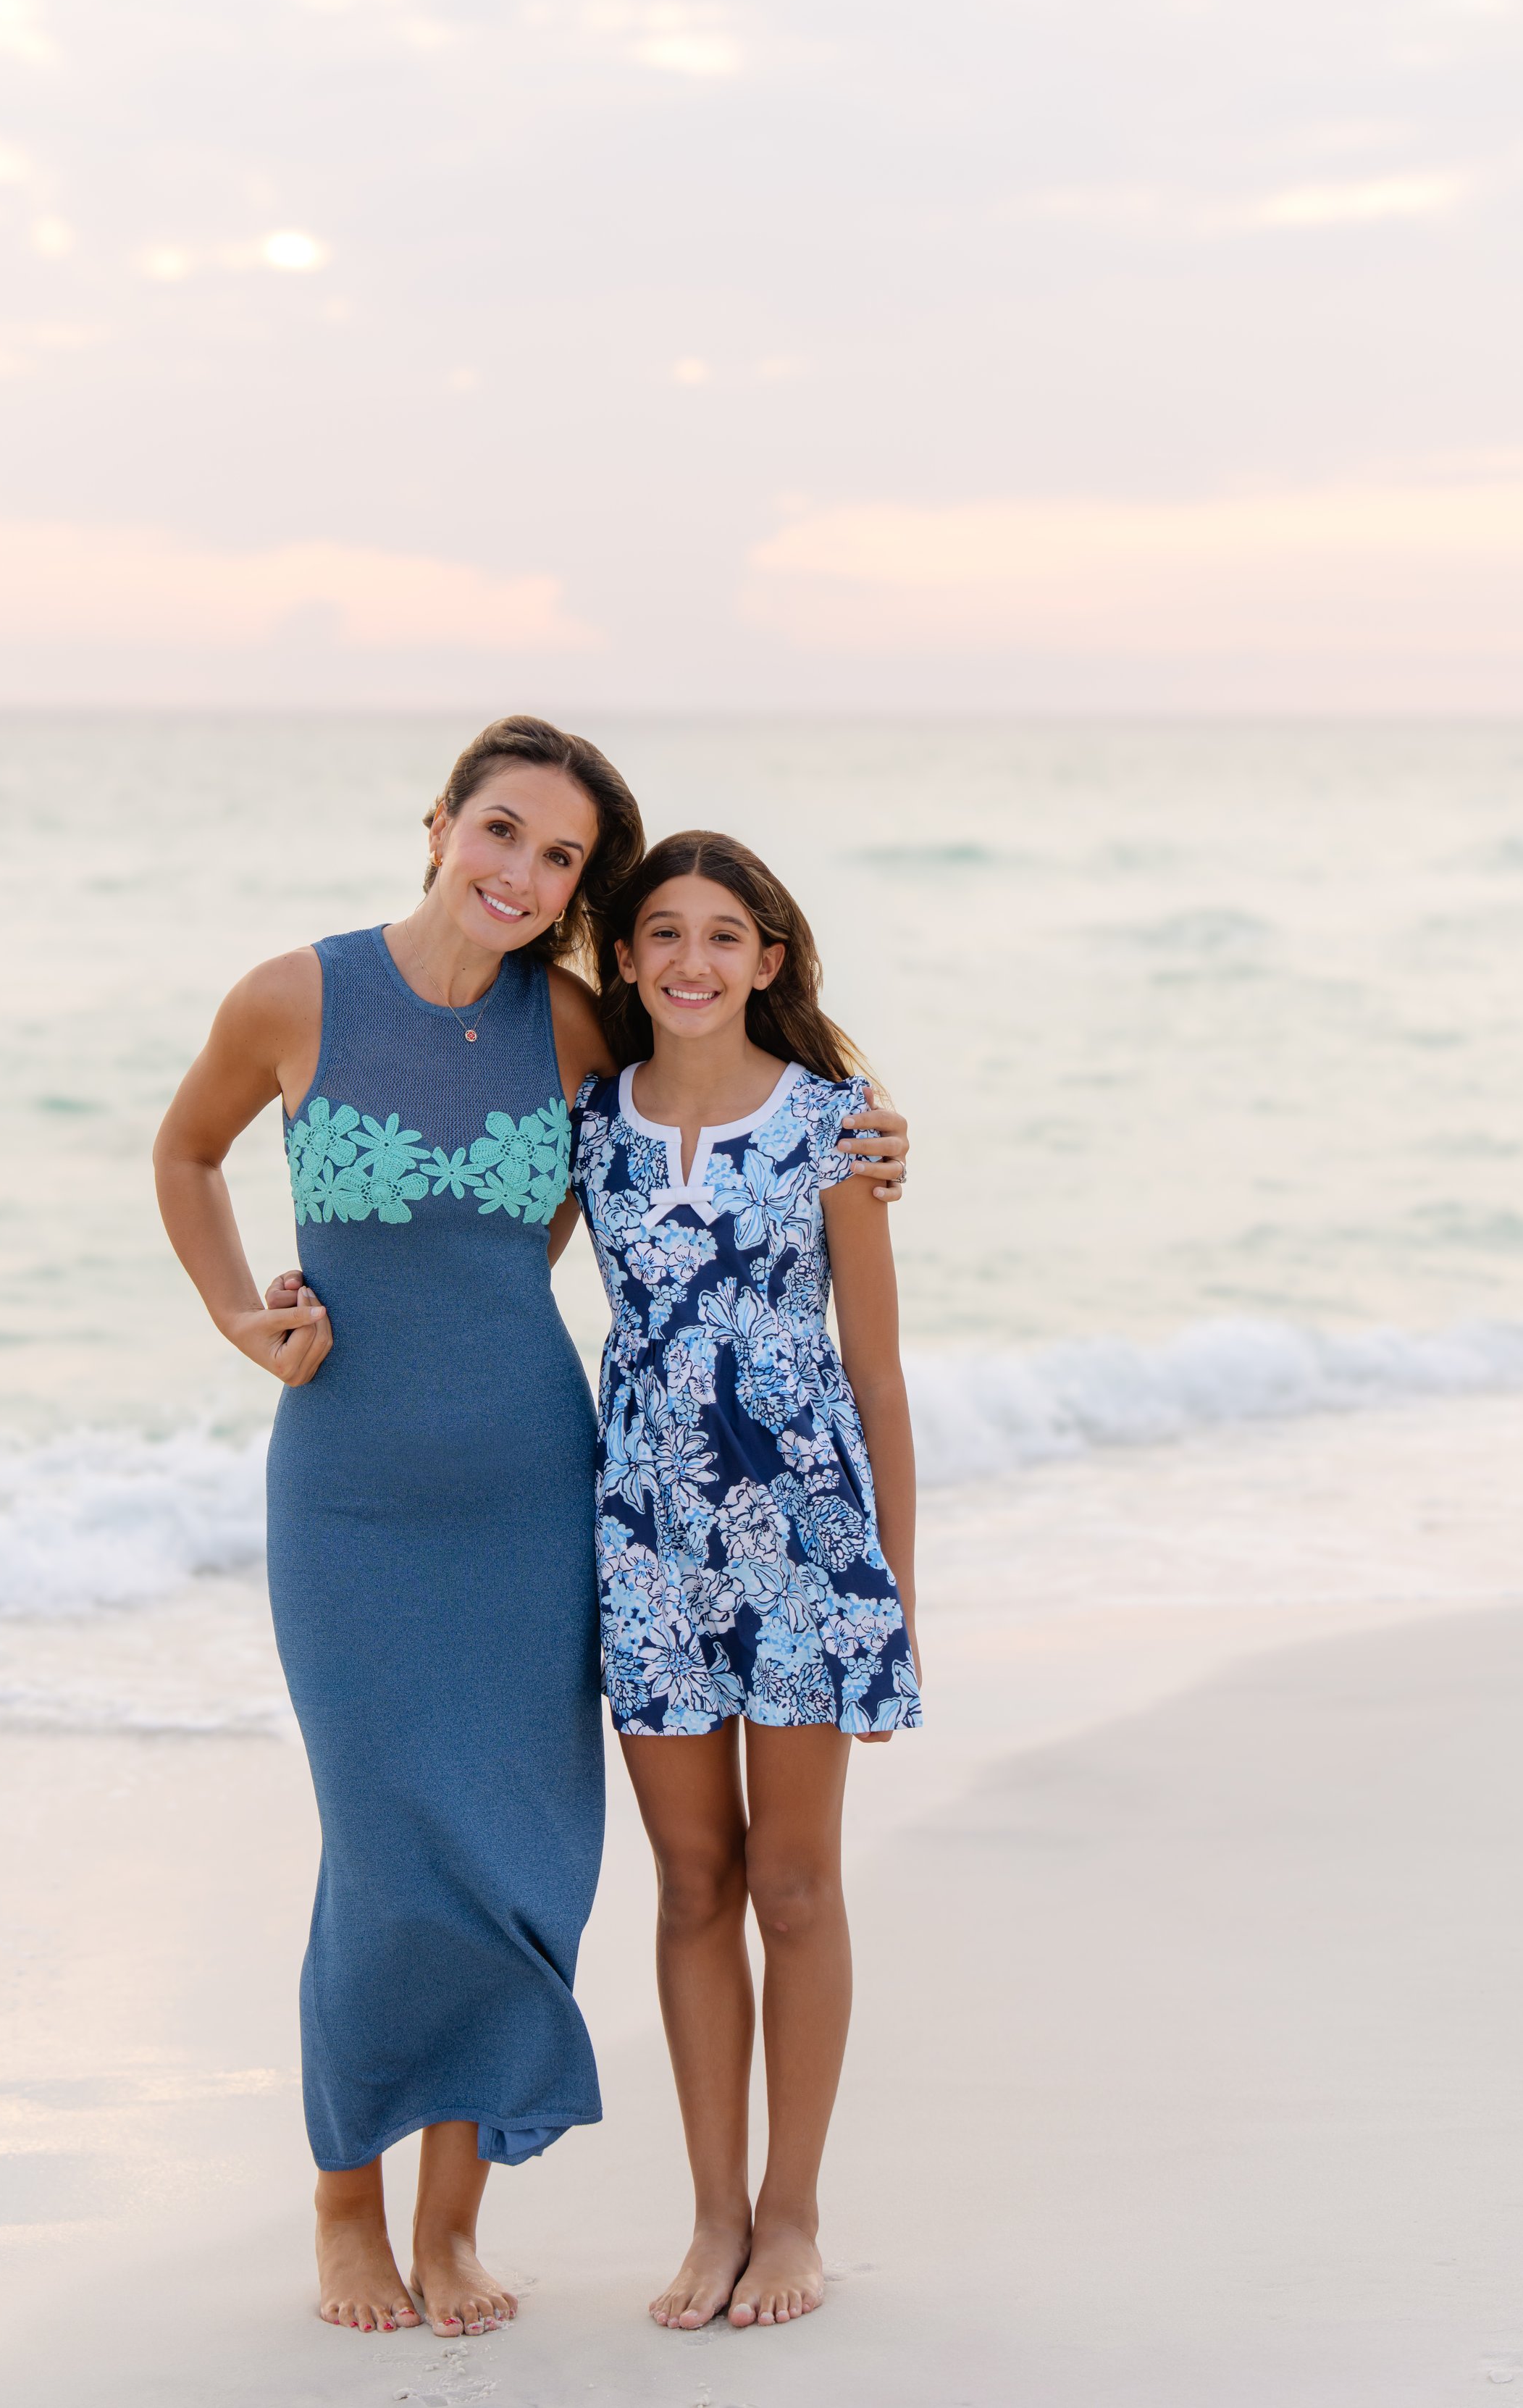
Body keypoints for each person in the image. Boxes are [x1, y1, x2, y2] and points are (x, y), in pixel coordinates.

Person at [154, 723, 911, 2340]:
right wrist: (237, 1314)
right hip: (356, 1490)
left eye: (560, 857)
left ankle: (453, 2224)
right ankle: (345, 2203)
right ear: (439, 823)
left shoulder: (569, 1027)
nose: (521, 871)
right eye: (501, 830)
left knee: (508, 1851)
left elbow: (695, 1121)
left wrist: (871, 1132)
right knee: (382, 1846)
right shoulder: (293, 996)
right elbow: (187, 1150)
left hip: (541, 1489)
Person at [565, 828, 922, 2334]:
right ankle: (712, 2213)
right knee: (692, 1881)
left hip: (808, 1551)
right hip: (648, 1542)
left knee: (792, 1882)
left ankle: (792, 2214)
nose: (692, 960)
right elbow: (480, 1269)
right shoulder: (592, 1123)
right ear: (624, 957)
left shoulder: (836, 1126)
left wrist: (892, 1602)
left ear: (768, 959)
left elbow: (876, 1376)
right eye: (663, 931)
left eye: (724, 935)